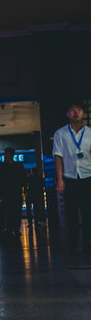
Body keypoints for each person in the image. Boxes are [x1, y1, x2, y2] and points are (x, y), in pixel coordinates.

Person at [53, 101, 91, 252]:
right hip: (69, 176)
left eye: (79, 110)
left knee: (88, 209)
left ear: (84, 113)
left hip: (88, 175)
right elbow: (58, 157)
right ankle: (73, 237)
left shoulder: (89, 133)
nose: (76, 112)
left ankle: (88, 237)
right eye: (73, 110)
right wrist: (60, 179)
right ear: (67, 114)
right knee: (71, 210)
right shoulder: (60, 133)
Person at [0, 147, 26, 237]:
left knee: (15, 211)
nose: (6, 156)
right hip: (8, 192)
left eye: (7, 154)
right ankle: (9, 228)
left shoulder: (15, 166)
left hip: (15, 192)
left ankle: (14, 228)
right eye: (5, 154)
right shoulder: (4, 166)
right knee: (8, 211)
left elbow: (23, 178)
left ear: (11, 155)